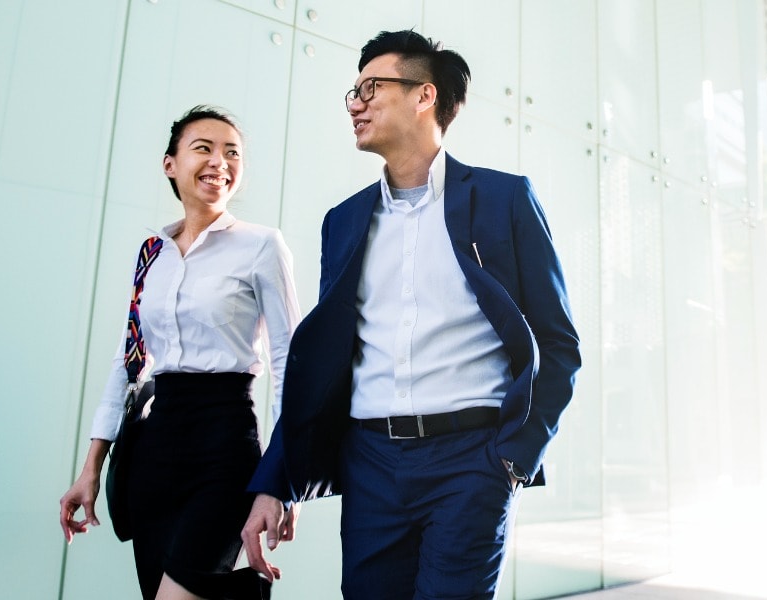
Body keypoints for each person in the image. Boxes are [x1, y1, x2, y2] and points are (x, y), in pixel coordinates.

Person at [241, 30, 581, 599]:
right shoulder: (344, 221)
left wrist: (513, 460)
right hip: (370, 465)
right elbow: (323, 370)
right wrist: (274, 482)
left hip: (472, 464)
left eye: (371, 87)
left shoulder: (505, 200)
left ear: (425, 95)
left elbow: (557, 344)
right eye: (352, 91)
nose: (356, 102)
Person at [59, 105, 301, 600]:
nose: (220, 162)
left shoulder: (261, 246)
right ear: (170, 164)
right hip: (154, 451)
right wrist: (90, 467)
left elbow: (289, 363)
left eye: (232, 153)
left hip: (226, 447)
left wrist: (281, 479)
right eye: (204, 149)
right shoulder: (151, 253)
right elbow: (127, 362)